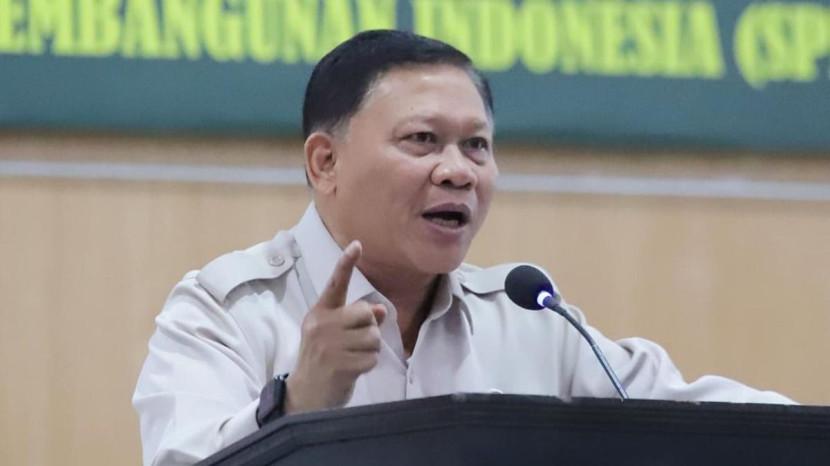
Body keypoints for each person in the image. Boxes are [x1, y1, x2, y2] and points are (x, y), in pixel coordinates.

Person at [132, 30, 793, 466]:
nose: (458, 171)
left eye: (476, 146)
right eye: (422, 141)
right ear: (325, 162)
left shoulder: (531, 318)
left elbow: (700, 418)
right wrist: (296, 405)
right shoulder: (225, 311)